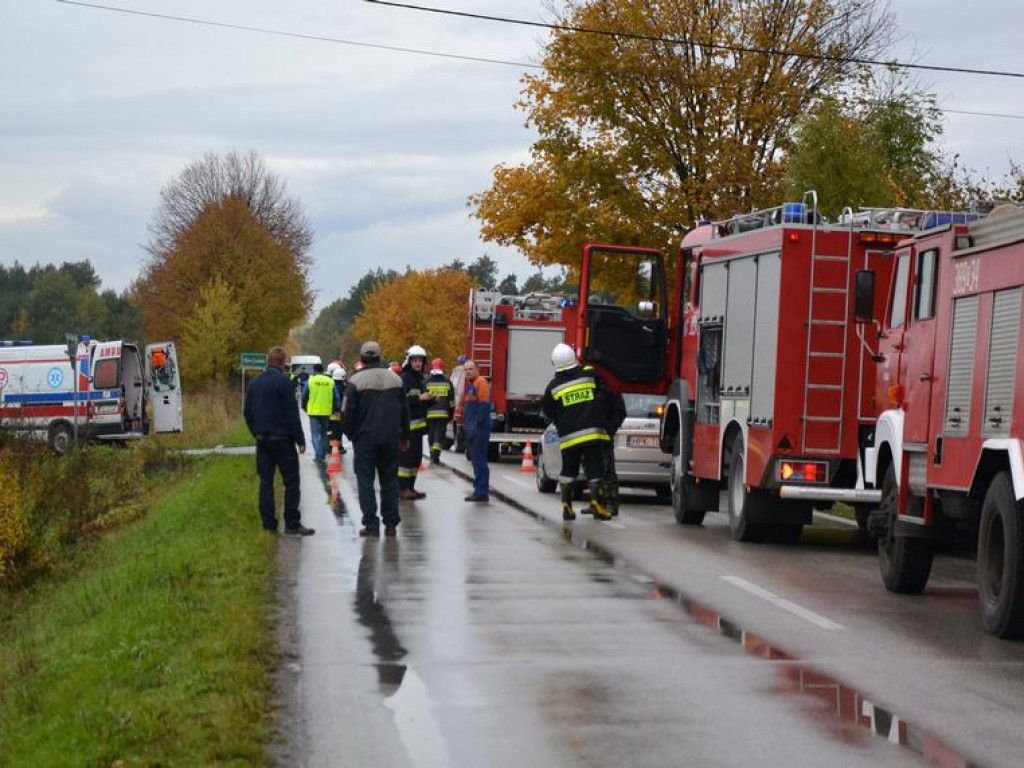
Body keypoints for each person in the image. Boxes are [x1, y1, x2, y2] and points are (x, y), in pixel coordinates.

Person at [243, 346, 315, 536]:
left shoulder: (254, 383)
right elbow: (292, 415)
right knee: (291, 481)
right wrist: (300, 439)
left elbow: (247, 413)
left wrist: (256, 433)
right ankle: (292, 523)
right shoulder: (284, 383)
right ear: (283, 363)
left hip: (262, 440)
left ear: (268, 361)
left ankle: (268, 524)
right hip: (283, 440)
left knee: (265, 482)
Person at [343, 341, 410, 536]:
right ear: (380, 357)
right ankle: (390, 524)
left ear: (362, 358)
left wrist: (351, 435)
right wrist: (405, 435)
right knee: (389, 481)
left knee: (366, 482)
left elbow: (347, 413)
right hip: (390, 439)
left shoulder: (355, 382)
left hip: (365, 440)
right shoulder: (396, 380)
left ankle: (371, 524)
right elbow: (405, 411)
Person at [541, 343, 613, 521]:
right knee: (595, 469)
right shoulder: (589, 374)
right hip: (592, 434)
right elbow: (605, 392)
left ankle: (566, 506)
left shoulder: (554, 386)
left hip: (569, 438)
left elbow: (547, 412)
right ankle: (598, 504)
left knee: (568, 471)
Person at [398, 344, 432, 501]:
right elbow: (401, 400)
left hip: (418, 428)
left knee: (416, 459)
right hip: (408, 427)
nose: (418, 363)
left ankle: (411, 487)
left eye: (421, 360)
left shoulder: (420, 379)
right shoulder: (405, 378)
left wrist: (431, 399)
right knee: (406, 459)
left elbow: (420, 401)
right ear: (409, 361)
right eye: (415, 360)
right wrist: (419, 398)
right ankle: (402, 489)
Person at [461, 359, 491, 502]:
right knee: (476, 460)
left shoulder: (480, 382)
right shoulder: (471, 385)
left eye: (470, 369)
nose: (468, 371)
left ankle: (481, 491)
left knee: (479, 460)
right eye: (466, 369)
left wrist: (477, 424)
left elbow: (484, 405)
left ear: (477, 370)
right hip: (473, 428)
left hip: (479, 428)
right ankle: (479, 489)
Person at [301, 363, 340, 463]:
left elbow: (304, 395)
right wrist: (336, 408)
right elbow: (336, 397)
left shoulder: (310, 381)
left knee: (314, 434)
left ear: (314, 370)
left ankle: (319, 455)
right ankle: (322, 453)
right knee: (324, 433)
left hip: (313, 411)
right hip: (326, 412)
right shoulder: (330, 381)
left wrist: (303, 406)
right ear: (323, 370)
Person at [600, 385, 627, 517]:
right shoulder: (588, 385)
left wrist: (610, 429)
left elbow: (620, 411)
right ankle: (597, 503)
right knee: (593, 473)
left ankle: (611, 504)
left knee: (607, 472)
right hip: (589, 438)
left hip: (604, 438)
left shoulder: (609, 387)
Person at [425, 357, 455, 465]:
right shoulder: (447, 382)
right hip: (443, 414)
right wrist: (451, 415)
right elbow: (452, 402)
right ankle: (435, 455)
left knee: (431, 434)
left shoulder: (427, 381)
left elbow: (424, 399)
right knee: (439, 435)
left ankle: (432, 452)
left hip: (429, 414)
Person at [328, 366, 348, 454]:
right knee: (338, 432)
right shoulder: (344, 389)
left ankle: (330, 447)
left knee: (330, 432)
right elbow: (344, 402)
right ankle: (339, 447)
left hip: (329, 414)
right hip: (339, 414)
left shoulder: (330, 386)